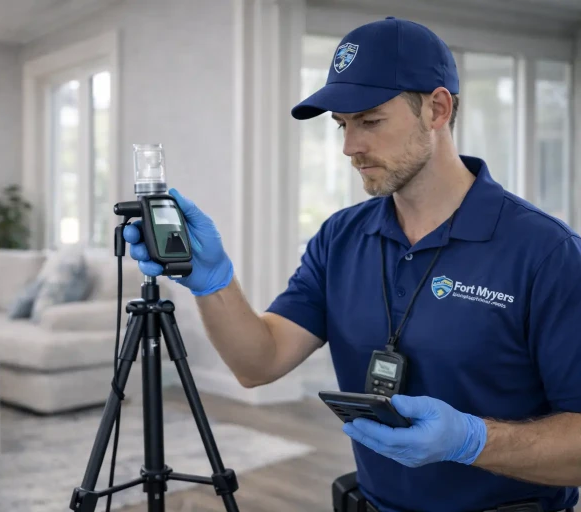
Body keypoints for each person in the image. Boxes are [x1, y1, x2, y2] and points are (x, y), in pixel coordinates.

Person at [123, 16, 581, 512]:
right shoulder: (340, 238)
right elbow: (259, 362)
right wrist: (212, 280)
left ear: (437, 108)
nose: (349, 147)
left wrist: (472, 441)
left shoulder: (547, 252)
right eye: (342, 125)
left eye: (370, 120)